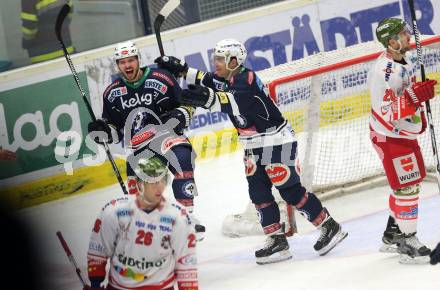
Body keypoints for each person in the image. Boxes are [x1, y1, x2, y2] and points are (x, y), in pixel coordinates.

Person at [155, 39, 347, 265]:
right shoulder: (229, 78)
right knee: (258, 193)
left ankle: (329, 226)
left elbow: (230, 101)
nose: (215, 63)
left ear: (233, 61)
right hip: (253, 144)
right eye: (215, 58)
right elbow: (211, 81)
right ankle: (276, 240)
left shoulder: (246, 79)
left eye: (219, 59)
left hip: (276, 142)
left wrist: (206, 98)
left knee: (290, 190)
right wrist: (183, 70)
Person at [87, 41, 204, 235]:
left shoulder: (162, 78)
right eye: (122, 62)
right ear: (117, 65)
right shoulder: (112, 93)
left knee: (183, 161)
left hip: (168, 135)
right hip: (139, 147)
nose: (127, 65)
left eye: (131, 60)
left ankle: (187, 217)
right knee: (141, 199)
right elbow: (115, 131)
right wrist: (104, 132)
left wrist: (180, 115)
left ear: (138, 60)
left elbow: (188, 105)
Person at [370, 17, 437, 264]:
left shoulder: (404, 59)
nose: (409, 36)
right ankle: (408, 240)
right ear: (391, 41)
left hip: (402, 133)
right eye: (403, 33)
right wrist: (412, 98)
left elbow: (406, 94)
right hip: (390, 136)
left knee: (408, 183)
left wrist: (417, 93)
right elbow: (384, 112)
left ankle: (393, 232)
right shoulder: (383, 72)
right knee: (406, 187)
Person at [85, 156, 198, 290]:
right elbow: (98, 250)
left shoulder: (178, 217)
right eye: (152, 181)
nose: (159, 186)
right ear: (139, 184)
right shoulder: (114, 212)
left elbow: (186, 263)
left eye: (162, 180)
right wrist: (95, 284)